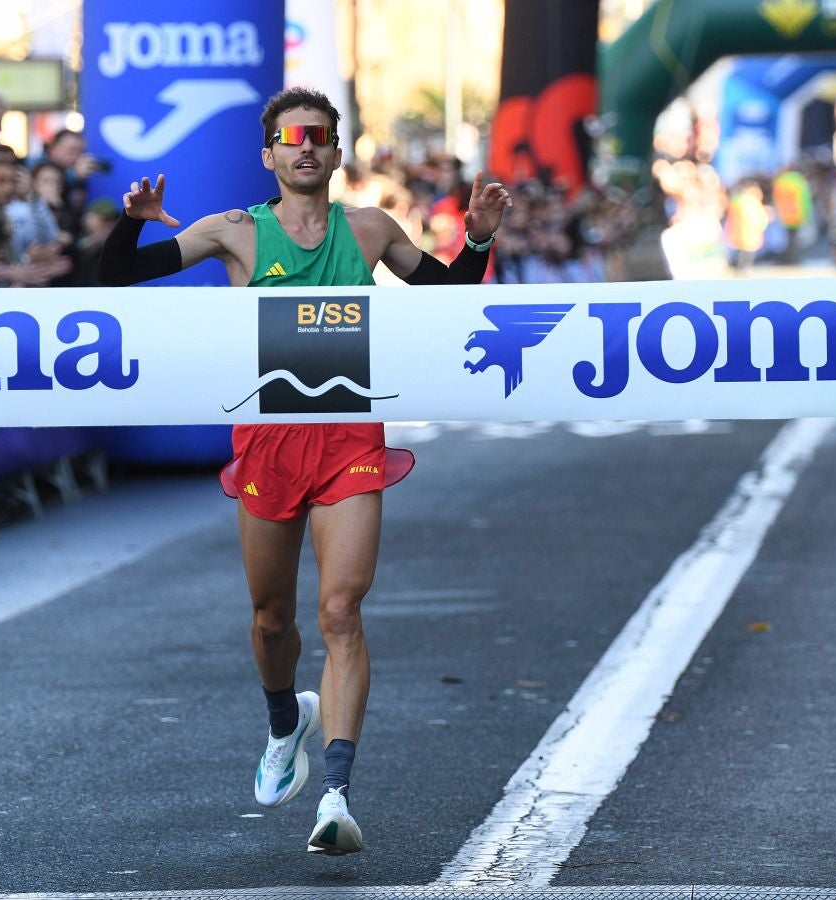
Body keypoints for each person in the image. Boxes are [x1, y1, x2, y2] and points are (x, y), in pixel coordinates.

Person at [97, 87, 509, 855]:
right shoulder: (232, 232)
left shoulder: (371, 230)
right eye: (291, 139)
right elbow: (112, 277)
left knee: (341, 610)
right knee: (270, 618)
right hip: (269, 446)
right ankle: (286, 720)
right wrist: (132, 221)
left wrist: (478, 242)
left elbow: (448, 297)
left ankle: (337, 795)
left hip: (350, 439)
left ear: (338, 151)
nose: (306, 147)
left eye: (319, 136)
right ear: (270, 155)